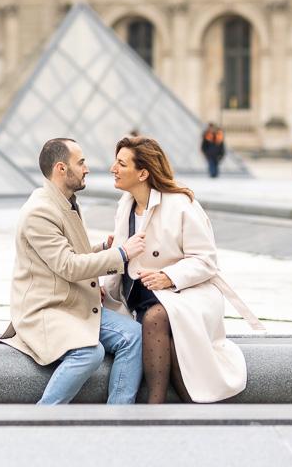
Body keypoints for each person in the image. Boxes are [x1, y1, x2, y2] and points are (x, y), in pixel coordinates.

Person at [102, 135, 264, 404]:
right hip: (145, 297)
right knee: (168, 339)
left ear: (143, 173)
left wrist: (168, 277)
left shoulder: (181, 204)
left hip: (188, 294)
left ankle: (155, 406)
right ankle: (188, 408)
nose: (112, 169)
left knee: (156, 320)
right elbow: (120, 260)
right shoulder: (125, 205)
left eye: (121, 164)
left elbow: (206, 260)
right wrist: (100, 288)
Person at [0, 138, 147, 404]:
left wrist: (102, 247)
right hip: (47, 309)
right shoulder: (39, 212)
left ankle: (118, 419)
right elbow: (68, 265)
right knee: (90, 353)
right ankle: (43, 417)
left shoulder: (64, 201)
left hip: (73, 303)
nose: (87, 168)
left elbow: (65, 253)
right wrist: (121, 254)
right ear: (61, 169)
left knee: (134, 336)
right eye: (81, 162)